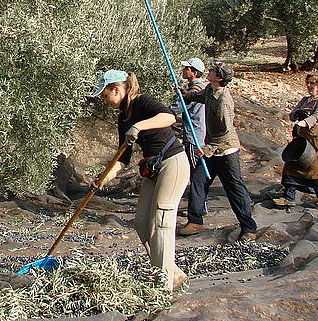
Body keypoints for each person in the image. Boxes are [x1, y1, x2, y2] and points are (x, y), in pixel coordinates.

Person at [92, 69, 190, 290]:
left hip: (173, 163)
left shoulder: (143, 102)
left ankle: (162, 284)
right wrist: (102, 180)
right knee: (142, 222)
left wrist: (140, 125)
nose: (104, 100)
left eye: (105, 95)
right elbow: (122, 158)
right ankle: (172, 272)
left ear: (116, 89)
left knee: (161, 221)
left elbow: (168, 117)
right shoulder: (123, 118)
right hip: (153, 168)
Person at [177, 63, 258, 242]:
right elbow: (199, 97)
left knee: (235, 189)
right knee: (198, 181)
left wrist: (207, 149)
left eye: (213, 71)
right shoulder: (209, 90)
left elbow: (225, 132)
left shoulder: (224, 102)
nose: (209, 72)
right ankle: (195, 221)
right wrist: (186, 95)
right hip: (212, 150)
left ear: (219, 78)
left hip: (226, 151)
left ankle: (249, 228)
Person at [275, 72, 318, 209]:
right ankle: (288, 197)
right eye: (307, 83)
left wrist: (303, 123)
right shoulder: (305, 100)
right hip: (303, 139)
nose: (309, 86)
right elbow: (292, 115)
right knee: (291, 165)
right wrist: (296, 115)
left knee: (316, 170)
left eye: (312, 83)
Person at [168, 58, 209, 237]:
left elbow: (178, 108)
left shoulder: (195, 90)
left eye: (186, 69)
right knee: (197, 174)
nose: (183, 71)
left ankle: (198, 212)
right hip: (199, 135)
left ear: (194, 72)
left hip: (194, 137)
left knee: (195, 175)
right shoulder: (200, 88)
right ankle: (199, 207)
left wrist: (159, 112)